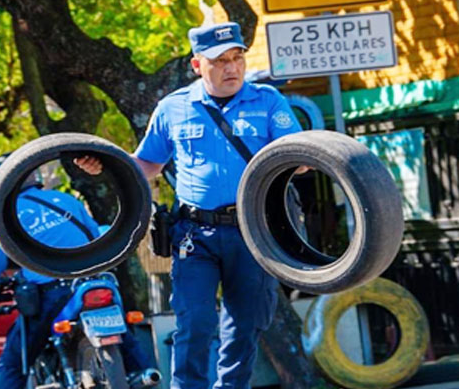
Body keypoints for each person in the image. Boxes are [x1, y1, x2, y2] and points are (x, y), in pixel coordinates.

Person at [75, 22, 304, 389]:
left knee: (244, 326)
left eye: (237, 58)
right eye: (219, 61)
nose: (231, 68)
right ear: (198, 65)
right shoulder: (174, 108)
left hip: (254, 231)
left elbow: (301, 155)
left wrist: (316, 156)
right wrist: (106, 162)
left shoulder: (268, 101)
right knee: (194, 322)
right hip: (195, 235)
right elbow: (147, 165)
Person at [0, 159, 153, 389]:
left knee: (11, 364)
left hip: (53, 294)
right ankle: (144, 373)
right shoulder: (65, 199)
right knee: (125, 339)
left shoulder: (5, 216)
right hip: (97, 281)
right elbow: (96, 234)